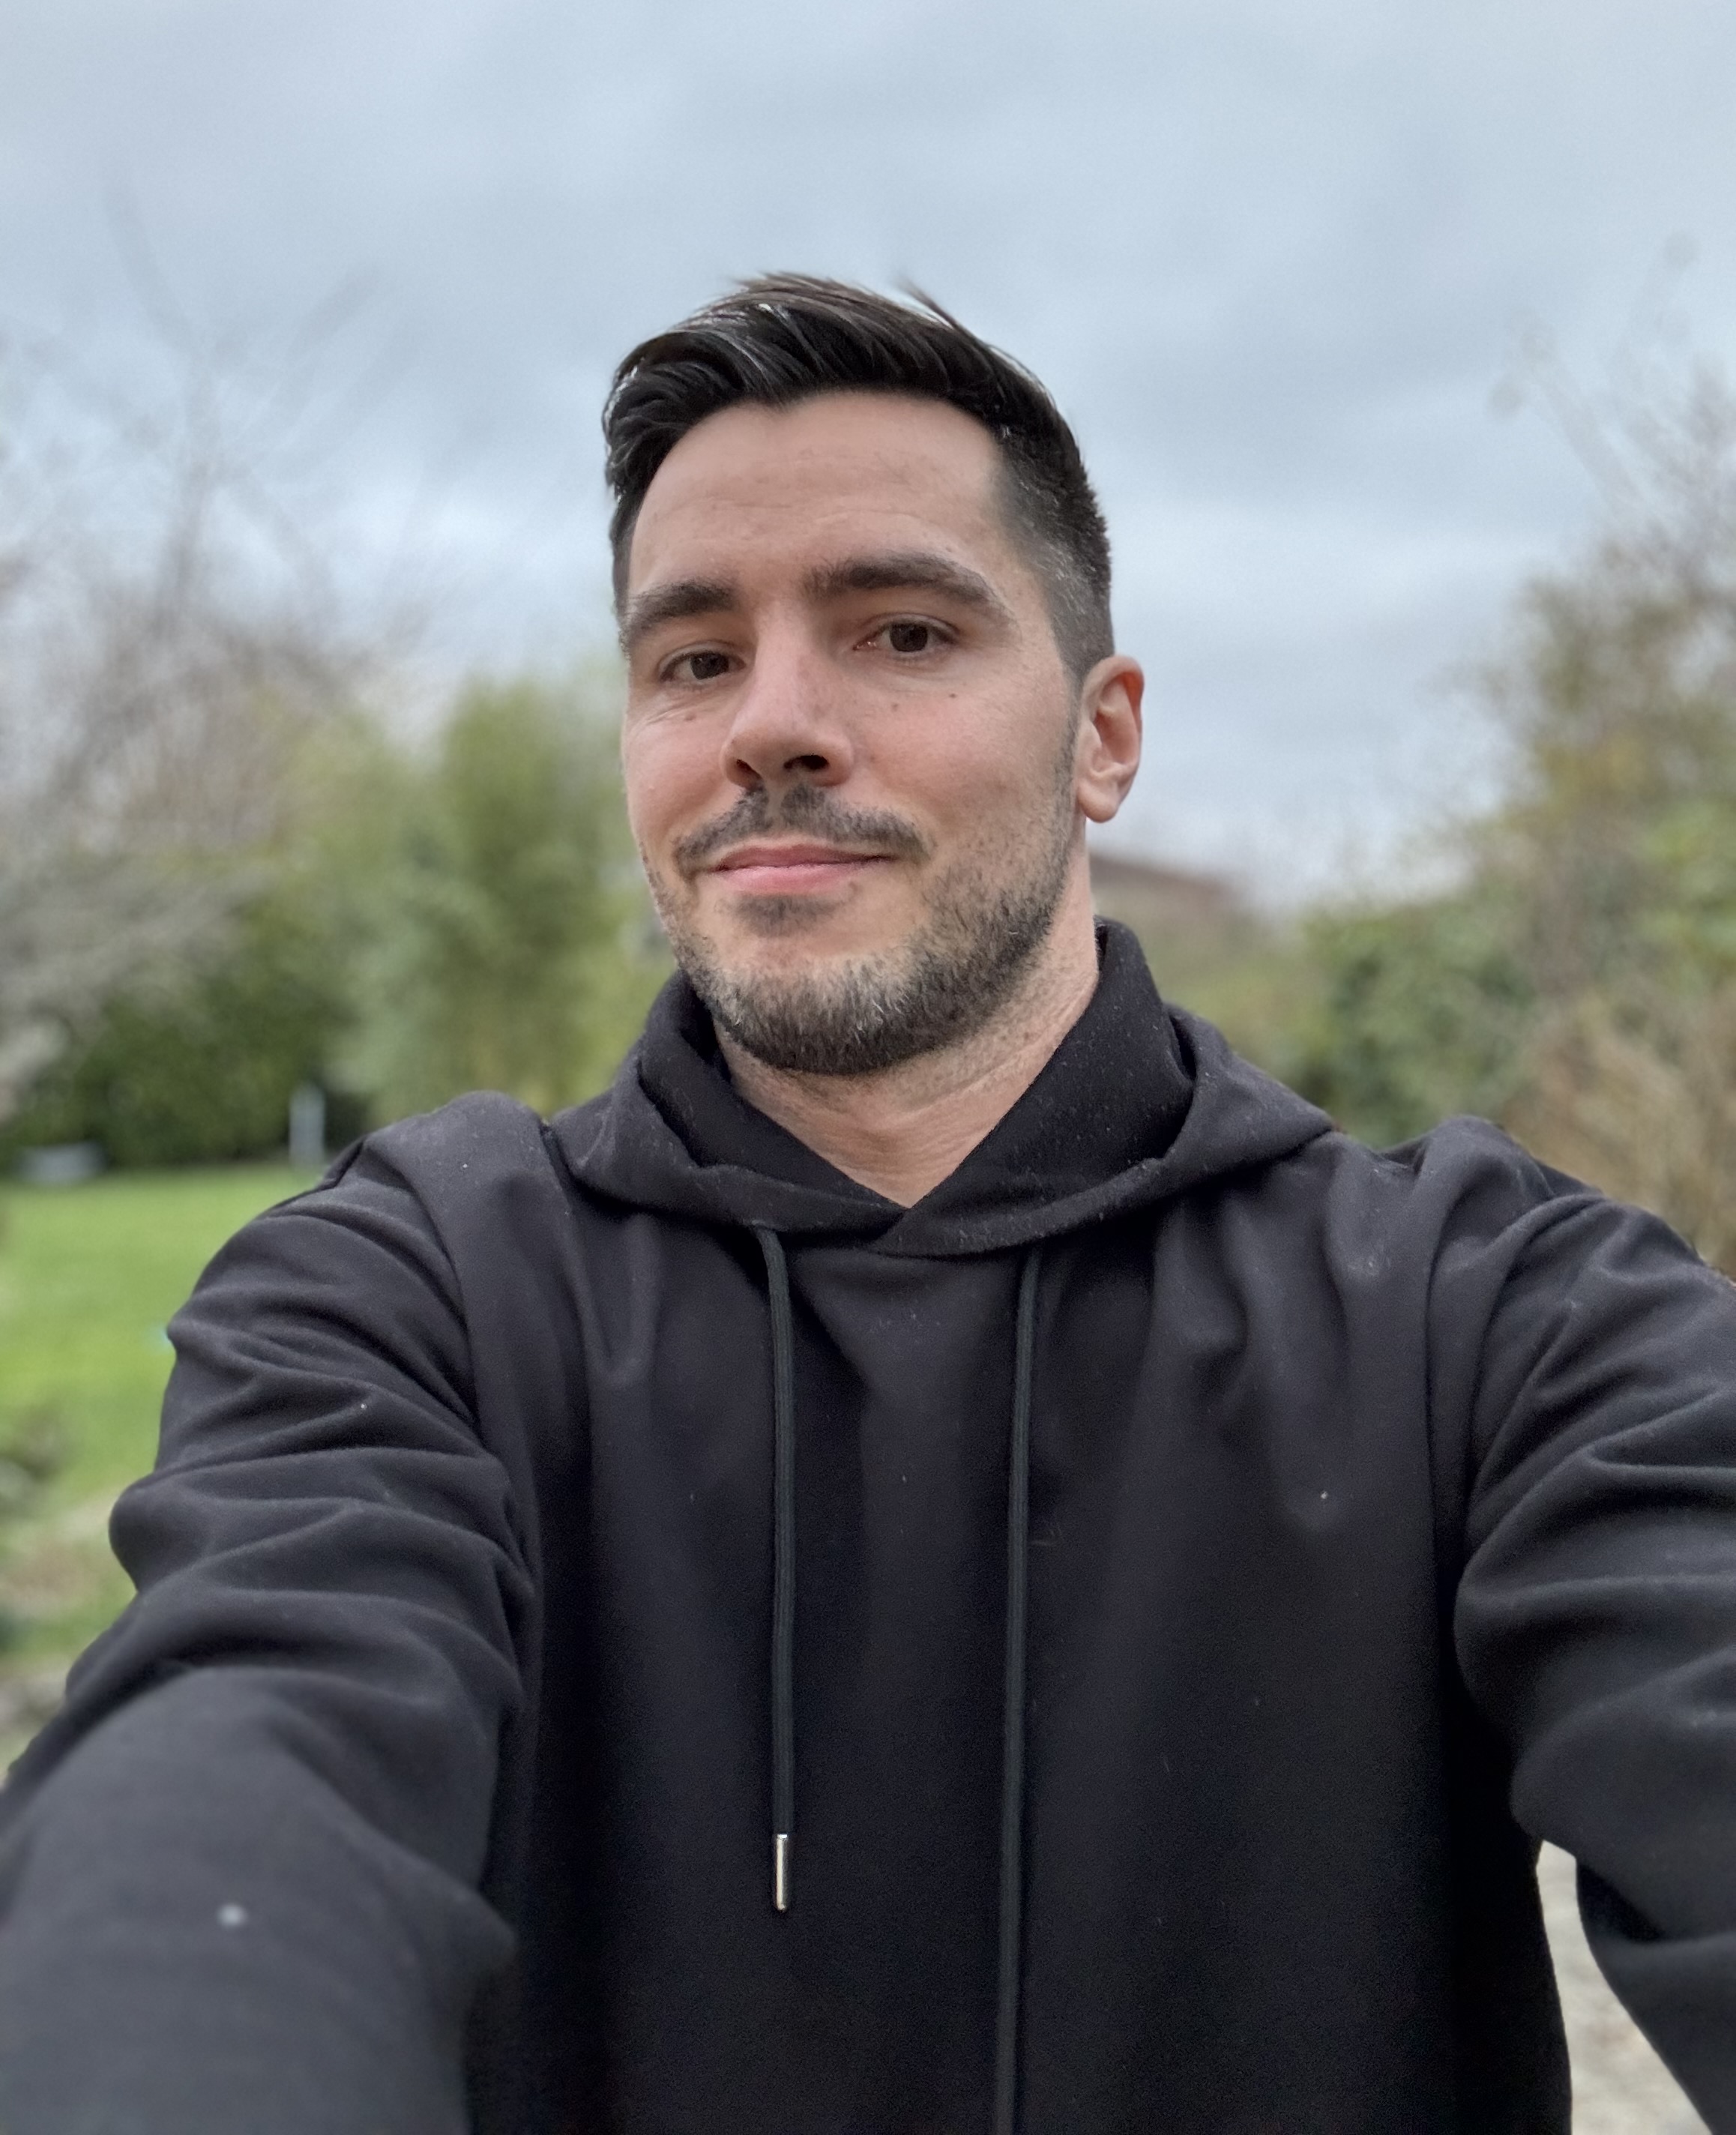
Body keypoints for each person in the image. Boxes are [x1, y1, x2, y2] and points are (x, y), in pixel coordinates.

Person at [3, 275, 1735, 2135]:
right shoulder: (409, 1296)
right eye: (691, 660)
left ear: (1104, 736)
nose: (772, 725)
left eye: (902, 630)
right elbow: (229, 1796)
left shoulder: (1489, 1319)